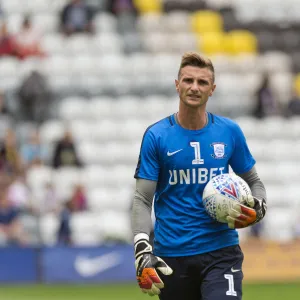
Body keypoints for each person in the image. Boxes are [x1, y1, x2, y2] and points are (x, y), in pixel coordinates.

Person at [131, 52, 267, 299]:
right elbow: (142, 199)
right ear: (177, 85)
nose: (194, 87)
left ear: (212, 89)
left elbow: (255, 182)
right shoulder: (156, 136)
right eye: (188, 80)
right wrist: (142, 249)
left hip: (221, 252)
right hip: (171, 255)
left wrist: (258, 207)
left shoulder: (229, 132)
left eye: (202, 82)